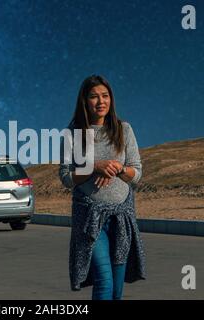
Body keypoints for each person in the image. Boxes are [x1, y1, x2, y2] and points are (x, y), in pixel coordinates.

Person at [59, 75, 146, 300]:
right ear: (84, 101)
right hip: (90, 218)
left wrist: (118, 169)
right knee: (104, 281)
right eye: (94, 96)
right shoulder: (73, 134)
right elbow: (66, 178)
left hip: (122, 218)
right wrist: (95, 166)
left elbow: (136, 174)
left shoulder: (123, 130)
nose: (101, 102)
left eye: (105, 96)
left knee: (117, 289)